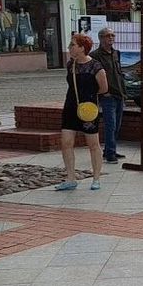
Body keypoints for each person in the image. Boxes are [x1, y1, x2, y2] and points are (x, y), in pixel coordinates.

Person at [57, 33, 107, 191]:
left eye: (72, 45)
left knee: (93, 144)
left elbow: (104, 88)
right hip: (71, 106)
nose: (69, 48)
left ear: (82, 47)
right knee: (66, 142)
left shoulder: (96, 67)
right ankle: (70, 178)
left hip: (88, 109)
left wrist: (90, 98)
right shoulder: (70, 64)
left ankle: (96, 178)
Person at [91, 27, 125, 164]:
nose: (111, 38)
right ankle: (110, 153)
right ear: (101, 38)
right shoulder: (95, 55)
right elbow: (93, 76)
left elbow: (119, 72)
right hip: (107, 95)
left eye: (112, 35)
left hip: (119, 93)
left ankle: (110, 149)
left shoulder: (116, 53)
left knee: (117, 125)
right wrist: (103, 92)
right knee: (110, 124)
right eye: (107, 36)